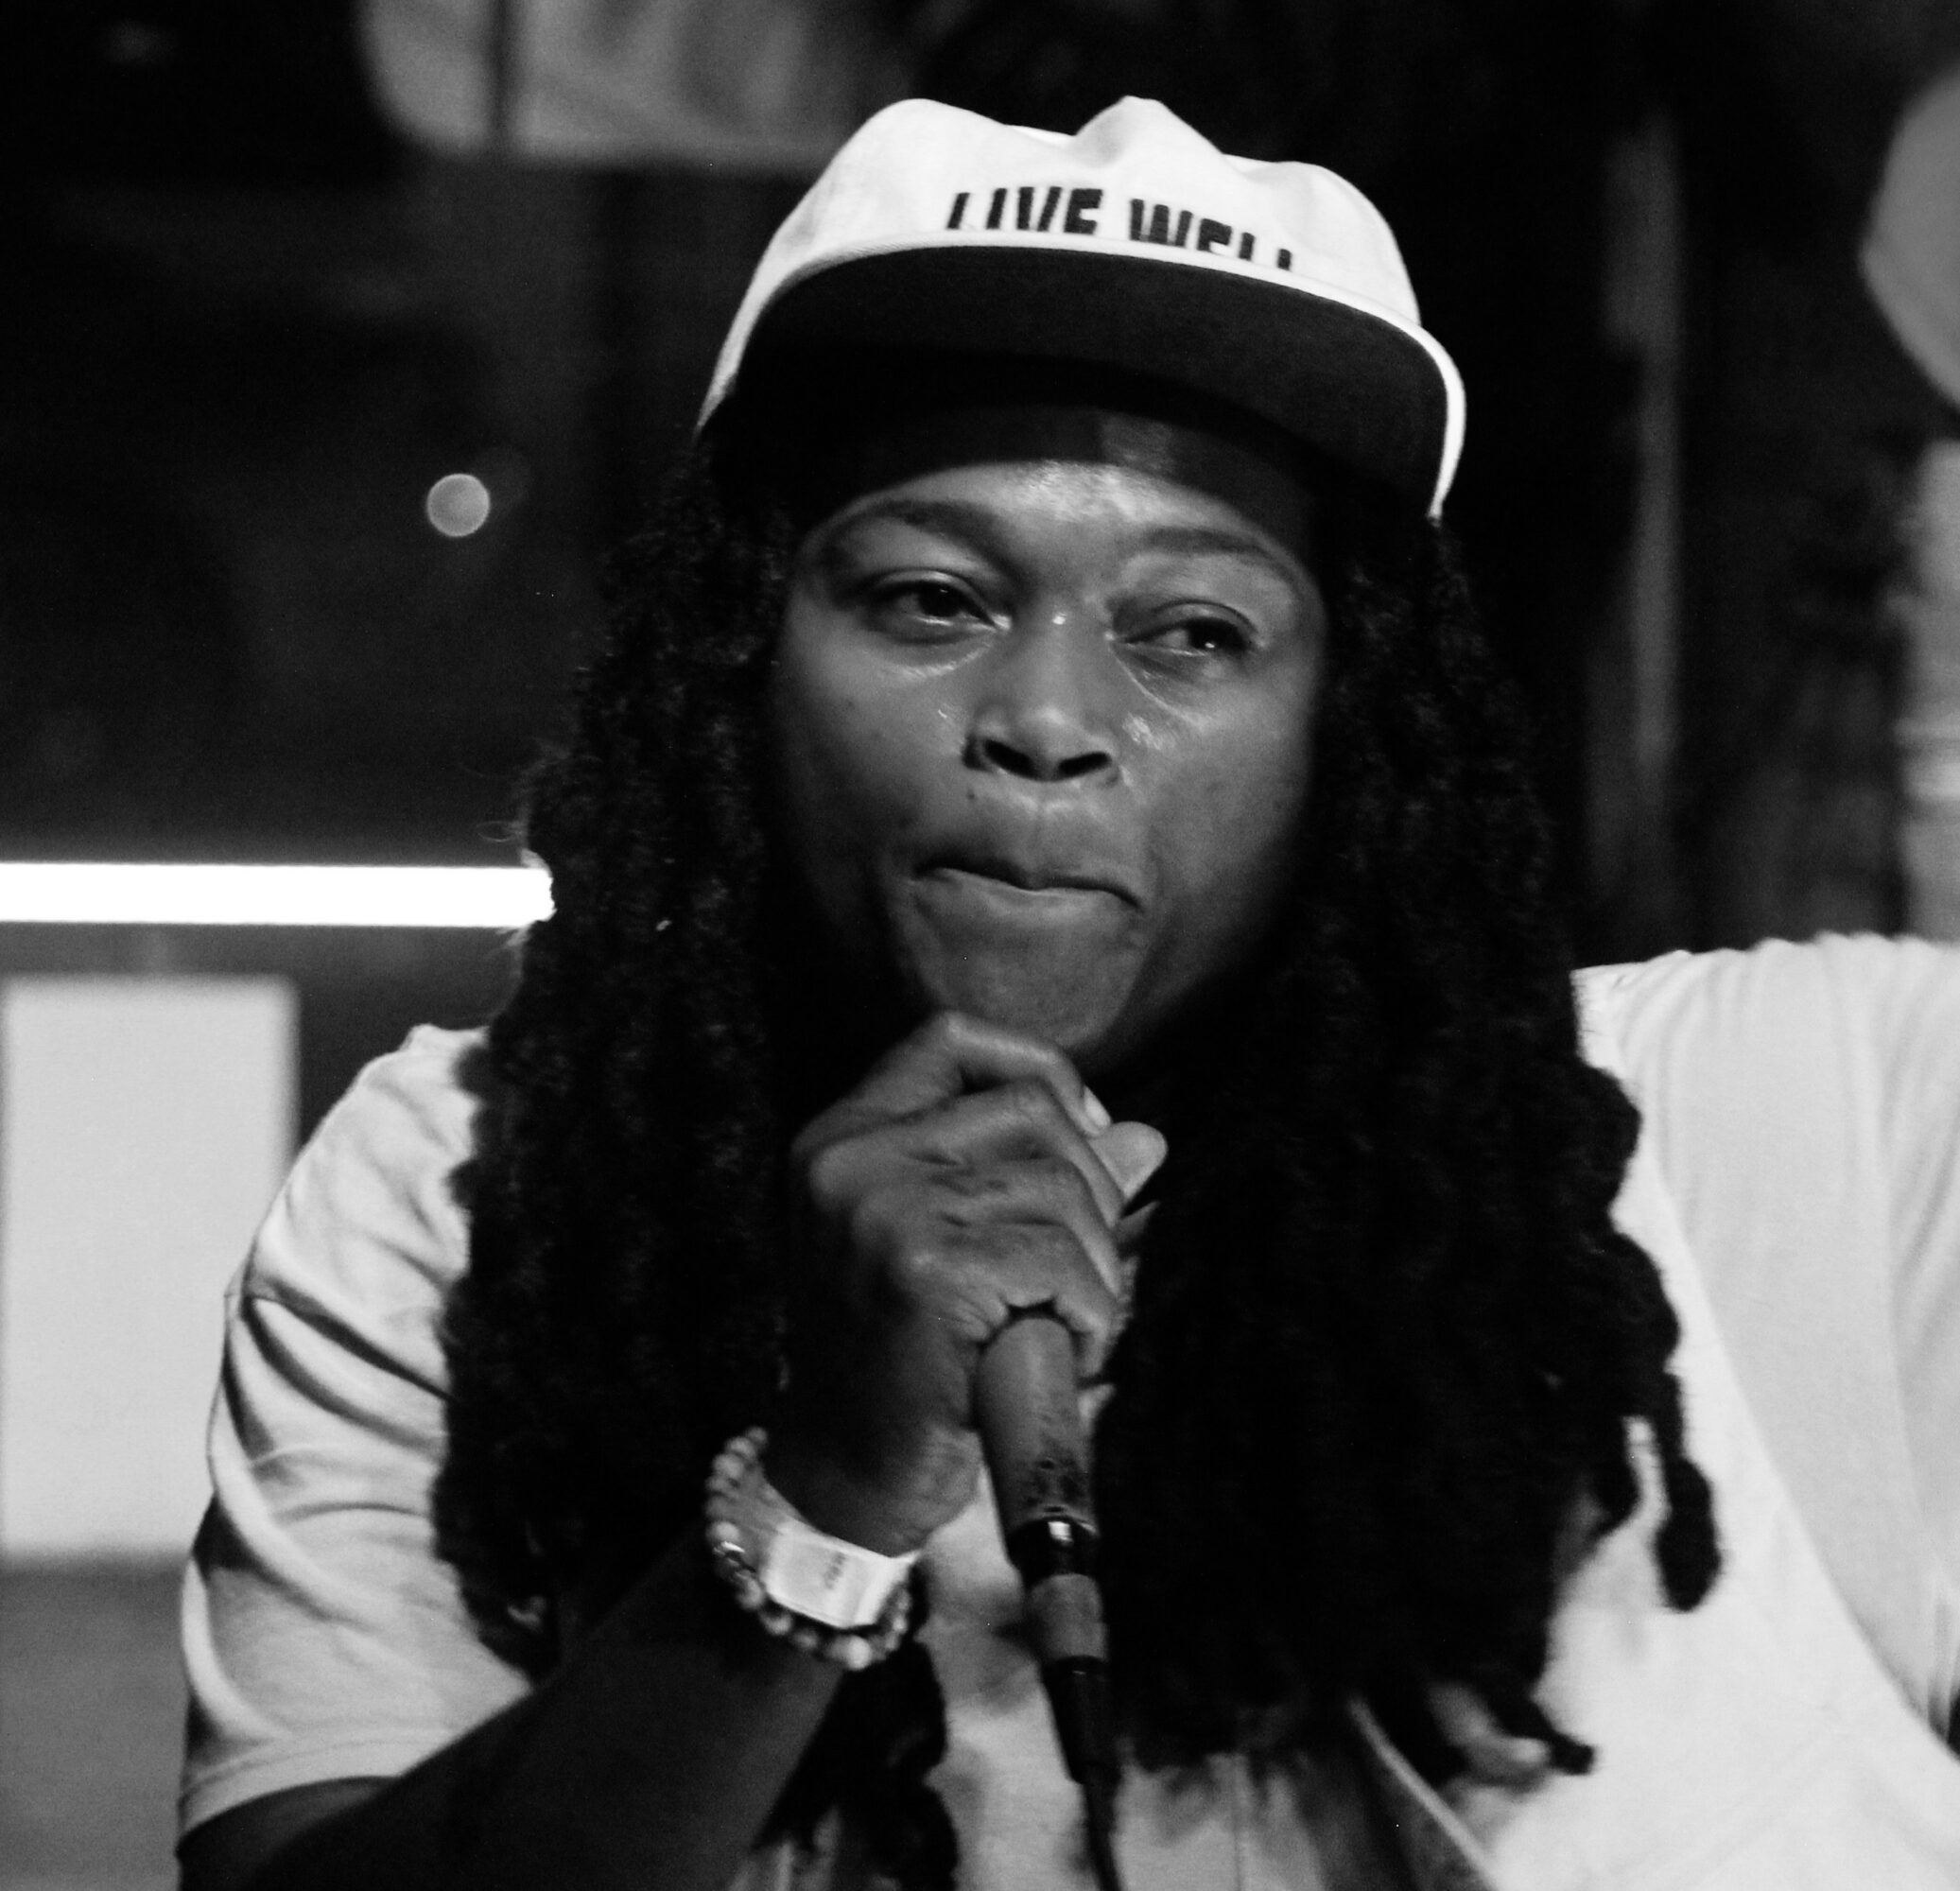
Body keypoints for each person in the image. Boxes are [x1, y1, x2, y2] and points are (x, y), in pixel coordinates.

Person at [176, 98, 1960, 1891]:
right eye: (929, 599)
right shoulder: (468, 1188)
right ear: (736, 650)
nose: (1043, 720)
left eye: (1192, 632)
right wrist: (819, 1499)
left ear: (1350, 726)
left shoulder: (1793, 1124)